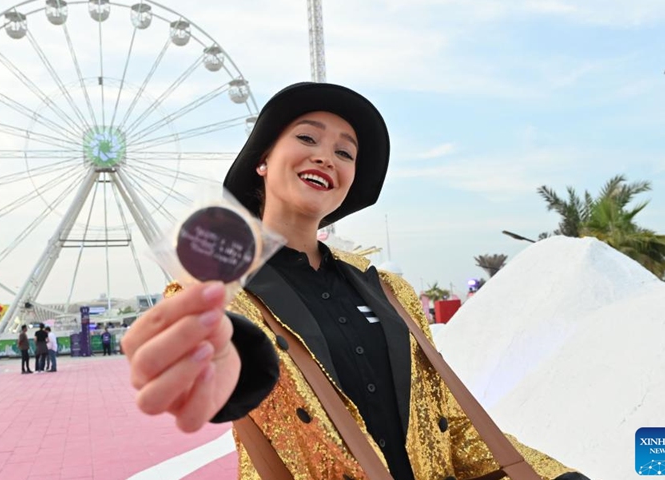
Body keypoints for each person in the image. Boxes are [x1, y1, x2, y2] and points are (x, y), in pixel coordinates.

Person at [122, 83, 589, 480]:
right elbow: (214, 359)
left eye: (344, 153)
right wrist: (200, 361)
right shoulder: (220, 289)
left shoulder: (388, 289)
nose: (325, 157)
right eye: (307, 137)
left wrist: (554, 475)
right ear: (263, 160)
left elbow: (450, 424)